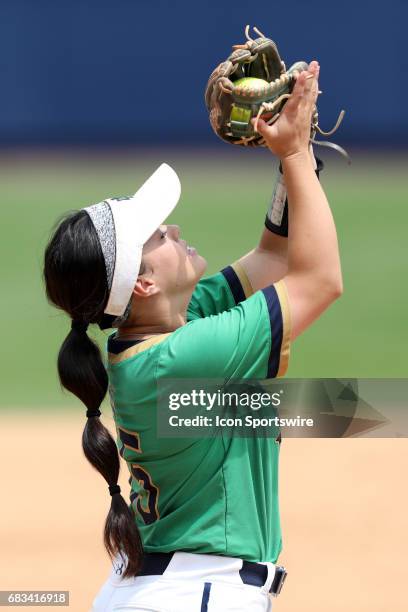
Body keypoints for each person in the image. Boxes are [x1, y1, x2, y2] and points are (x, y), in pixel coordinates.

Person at [43, 60, 342, 611]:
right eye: (158, 233)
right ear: (144, 283)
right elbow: (320, 280)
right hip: (192, 595)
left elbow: (274, 258)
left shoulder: (156, 334)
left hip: (168, 588)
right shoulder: (182, 357)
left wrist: (289, 165)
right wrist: (296, 152)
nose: (176, 229)